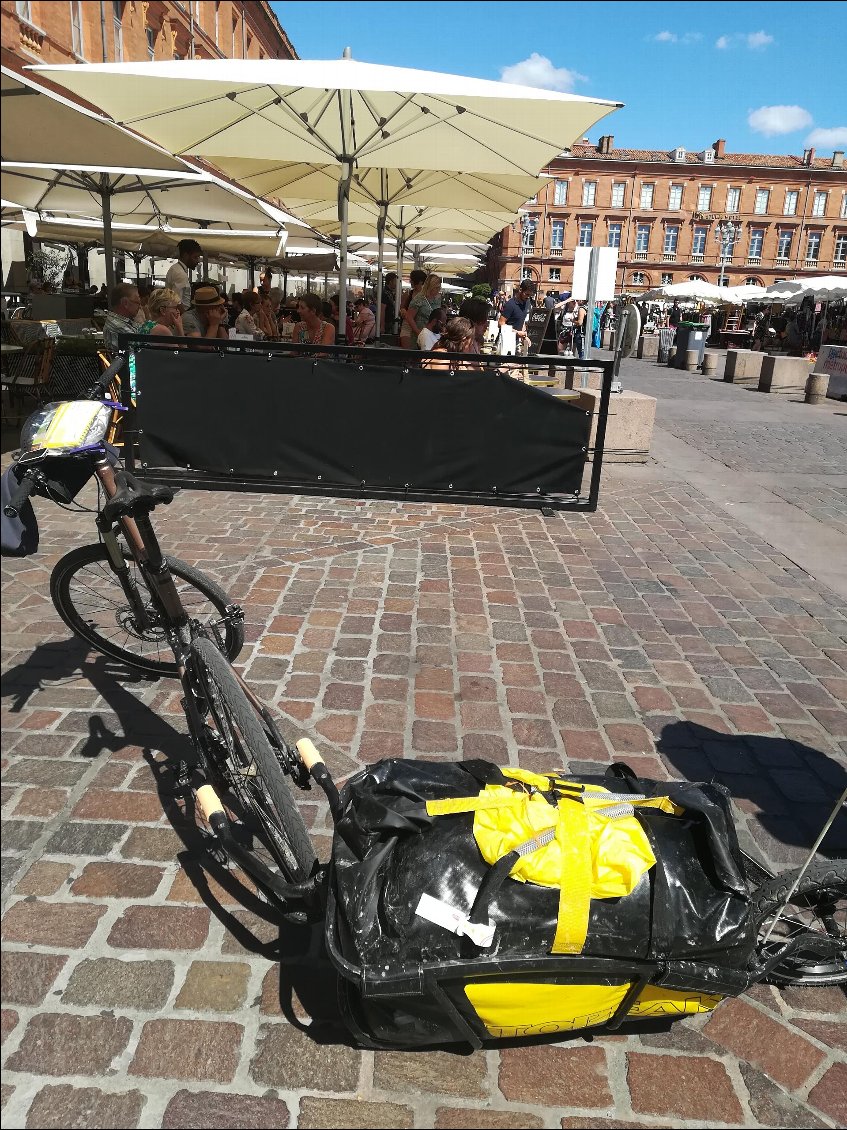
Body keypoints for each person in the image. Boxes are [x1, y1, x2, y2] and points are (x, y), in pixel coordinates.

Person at [403, 273, 442, 348]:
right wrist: (418, 332)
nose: (438, 290)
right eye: (436, 288)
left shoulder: (437, 298)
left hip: (434, 335)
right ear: (430, 287)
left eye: (439, 288)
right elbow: (409, 317)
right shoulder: (419, 299)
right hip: (420, 333)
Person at [103, 282, 143, 352]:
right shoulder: (118, 327)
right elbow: (142, 350)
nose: (140, 307)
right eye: (137, 302)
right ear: (125, 303)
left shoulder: (122, 321)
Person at [498, 280, 535, 354]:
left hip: (516, 341)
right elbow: (500, 324)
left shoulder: (526, 303)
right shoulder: (510, 305)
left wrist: (524, 336)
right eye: (527, 294)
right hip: (505, 341)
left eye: (530, 295)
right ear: (520, 290)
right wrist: (517, 332)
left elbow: (522, 320)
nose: (528, 297)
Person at [165, 239, 202, 312]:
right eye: (195, 257)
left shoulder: (176, 269)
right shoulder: (180, 273)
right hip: (181, 315)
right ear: (185, 255)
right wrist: (186, 318)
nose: (197, 261)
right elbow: (176, 302)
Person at [399, 269, 428, 348]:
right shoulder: (408, 294)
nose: (410, 282)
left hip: (421, 327)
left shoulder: (427, 296)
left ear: (420, 282)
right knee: (407, 352)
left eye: (412, 280)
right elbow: (401, 308)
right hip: (407, 326)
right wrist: (403, 311)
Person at [381, 271, 397, 336]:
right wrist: (382, 326)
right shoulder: (385, 293)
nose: (396, 284)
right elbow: (382, 310)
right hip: (387, 322)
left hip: (390, 321)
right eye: (395, 281)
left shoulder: (389, 292)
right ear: (391, 281)